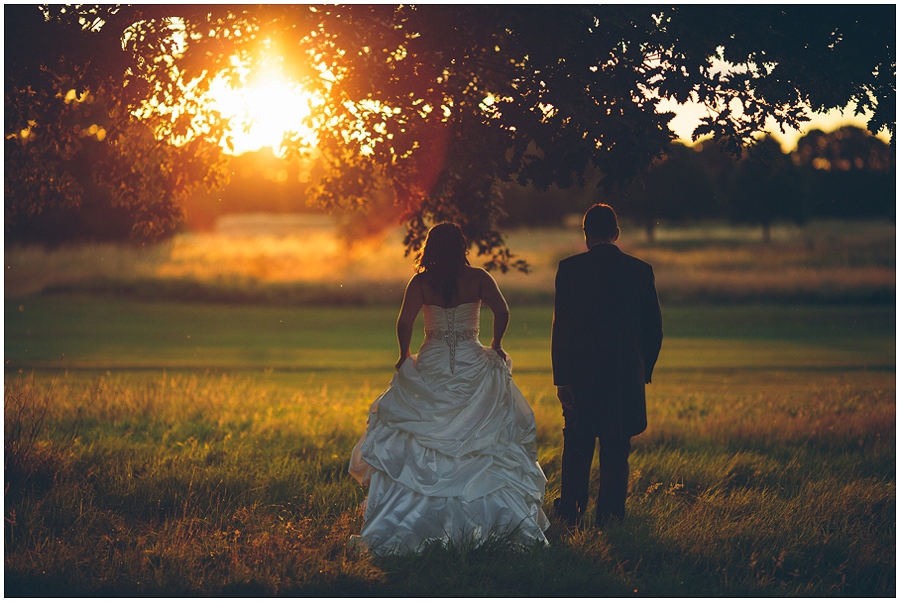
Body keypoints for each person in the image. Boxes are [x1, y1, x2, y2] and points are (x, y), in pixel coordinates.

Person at [349, 223, 549, 553]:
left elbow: (404, 322)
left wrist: (404, 355)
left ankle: (414, 520)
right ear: (461, 246)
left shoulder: (422, 281)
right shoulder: (479, 278)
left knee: (422, 434)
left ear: (430, 248)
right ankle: (491, 522)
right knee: (481, 438)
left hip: (433, 360)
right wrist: (496, 343)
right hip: (472, 356)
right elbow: (502, 310)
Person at [551, 203, 663, 527]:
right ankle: (610, 519)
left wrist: (563, 379)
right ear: (617, 234)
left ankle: (570, 514)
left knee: (576, 448)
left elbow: (562, 329)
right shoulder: (641, 271)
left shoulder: (569, 269)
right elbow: (653, 330)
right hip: (624, 376)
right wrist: (644, 371)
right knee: (616, 452)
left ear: (586, 236)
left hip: (581, 377)